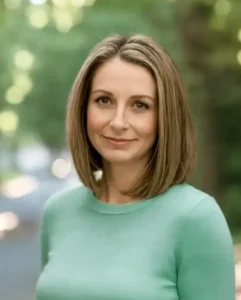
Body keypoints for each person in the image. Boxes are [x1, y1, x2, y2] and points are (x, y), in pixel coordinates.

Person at [36, 34, 235, 300]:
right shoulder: (58, 212)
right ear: (83, 108)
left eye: (140, 105)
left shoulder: (196, 219)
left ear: (165, 117)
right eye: (104, 100)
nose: (118, 122)